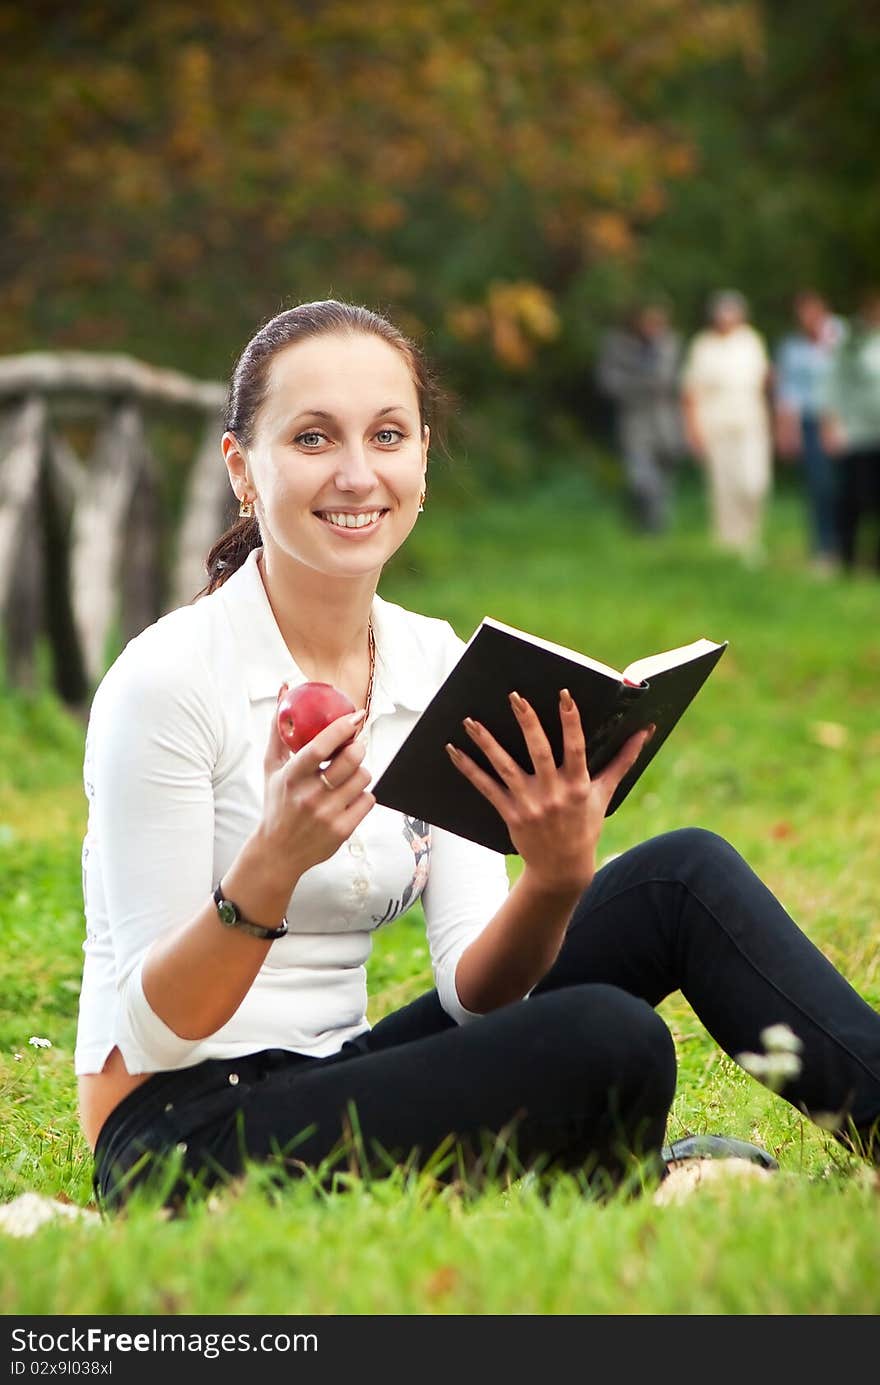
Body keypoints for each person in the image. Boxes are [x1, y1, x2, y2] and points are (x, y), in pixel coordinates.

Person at [75, 299, 880, 1215]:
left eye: (387, 435)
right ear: (241, 469)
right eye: (311, 438)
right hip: (181, 1132)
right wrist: (270, 867)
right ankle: (627, 1187)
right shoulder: (168, 679)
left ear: (422, 461)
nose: (356, 473)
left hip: (339, 1073)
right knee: (605, 1037)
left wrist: (552, 877)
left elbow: (477, 996)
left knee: (678, 876)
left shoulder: (428, 661)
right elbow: (151, 1030)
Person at [680, 290, 773, 564]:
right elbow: (690, 392)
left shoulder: (751, 341)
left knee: (754, 483)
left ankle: (751, 536)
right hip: (717, 427)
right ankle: (729, 544)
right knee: (723, 487)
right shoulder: (703, 346)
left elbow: (764, 382)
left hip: (751, 423)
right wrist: (693, 430)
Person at [774, 290, 846, 575]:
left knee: (852, 488)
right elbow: (788, 393)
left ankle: (849, 547)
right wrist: (785, 431)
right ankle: (825, 549)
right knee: (820, 486)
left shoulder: (844, 336)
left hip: (848, 422)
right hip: (811, 422)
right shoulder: (792, 347)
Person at [595, 301, 684, 534]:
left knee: (664, 482)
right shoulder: (617, 345)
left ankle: (656, 530)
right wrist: (644, 383)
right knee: (641, 481)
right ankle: (644, 525)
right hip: (634, 424)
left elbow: (673, 381)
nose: (653, 327)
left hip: (666, 426)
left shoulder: (670, 344)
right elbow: (609, 384)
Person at [819, 289, 880, 576]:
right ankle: (847, 558)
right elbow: (834, 386)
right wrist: (832, 424)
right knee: (853, 498)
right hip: (857, 434)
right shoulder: (853, 343)